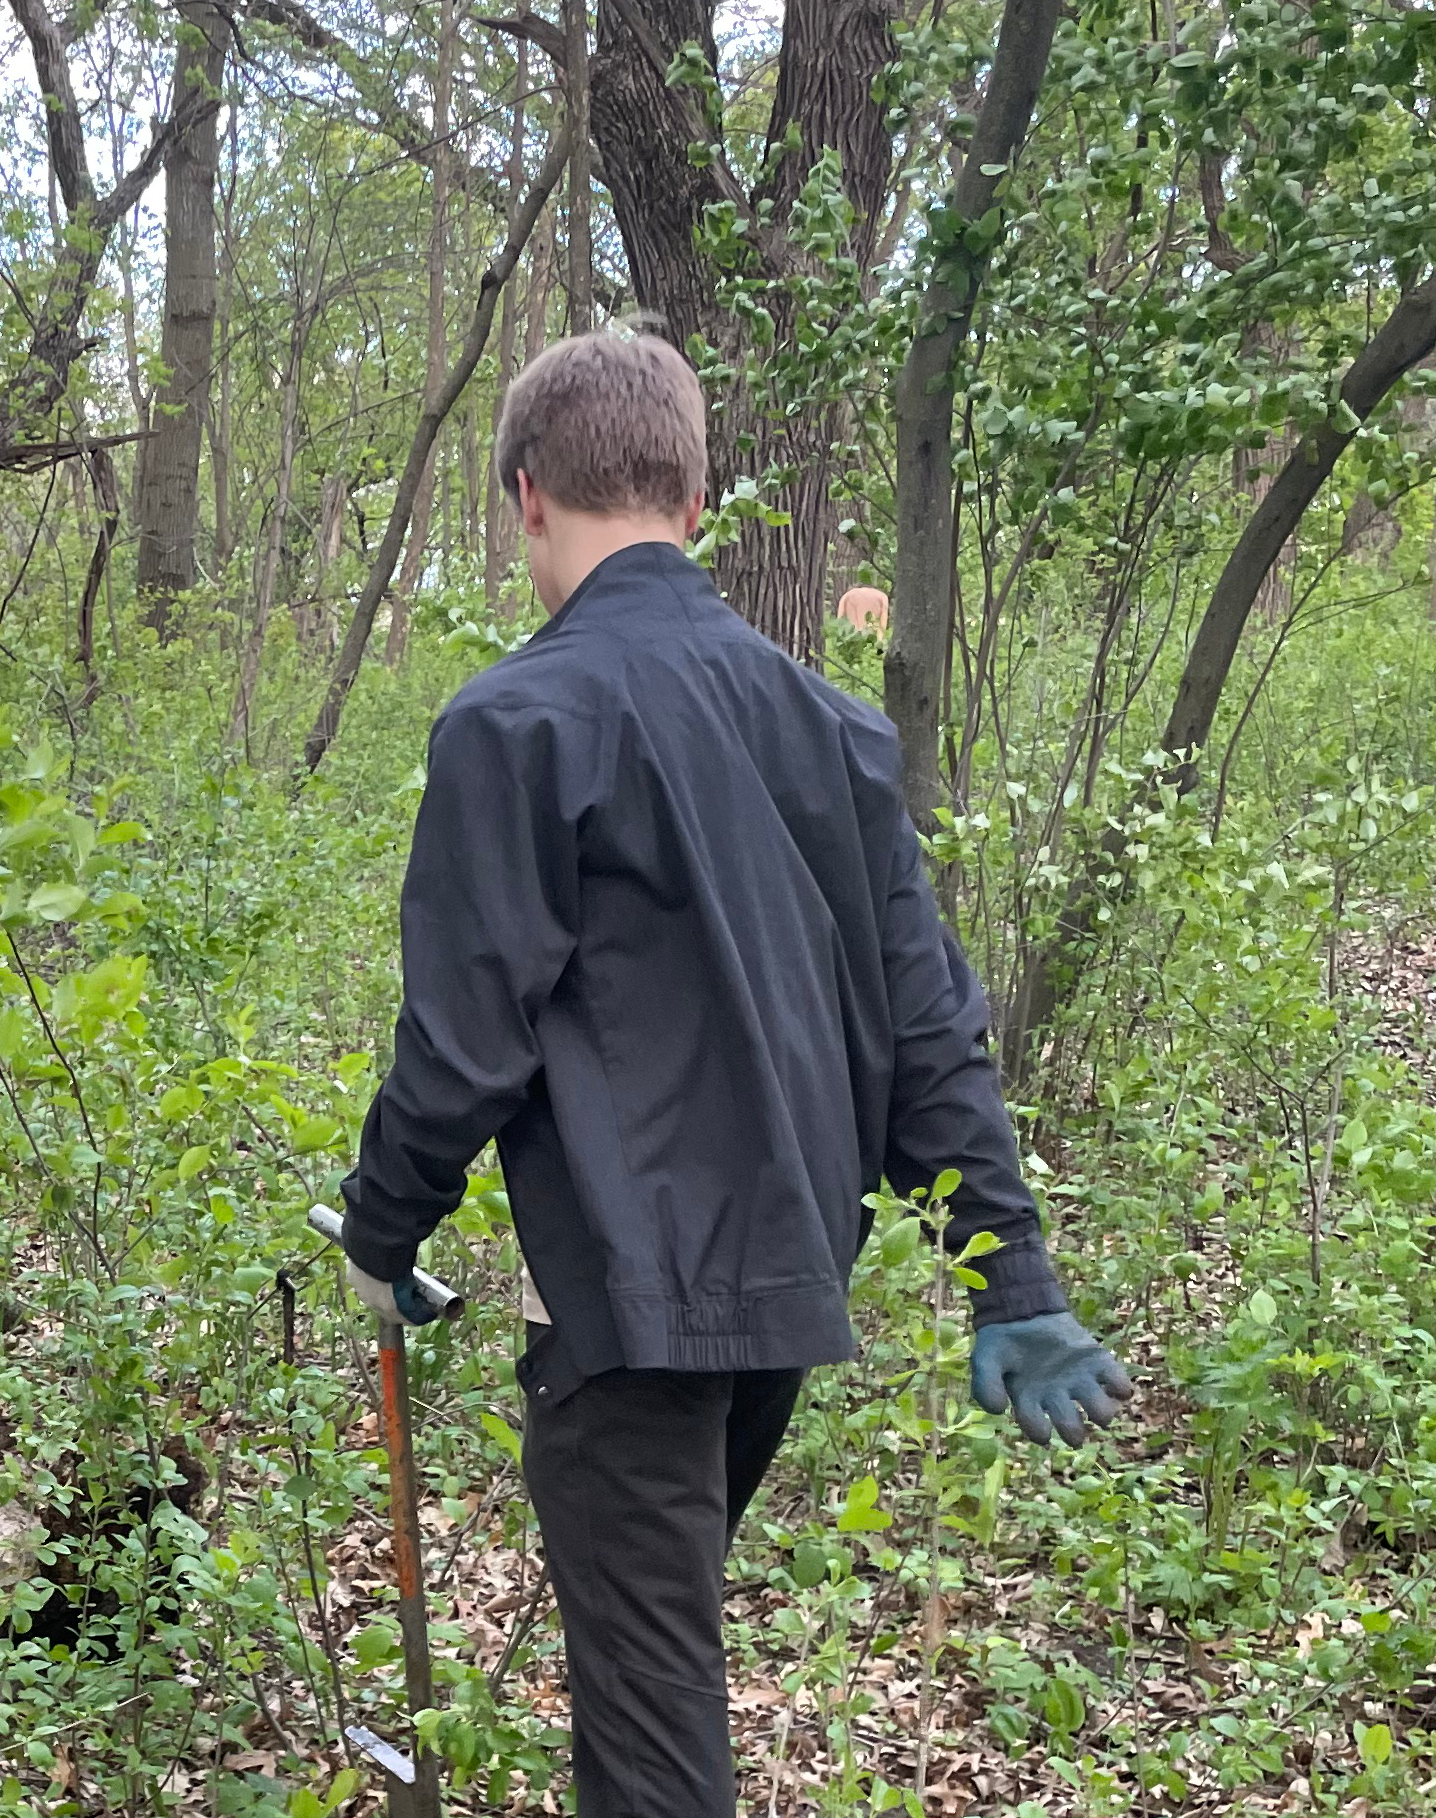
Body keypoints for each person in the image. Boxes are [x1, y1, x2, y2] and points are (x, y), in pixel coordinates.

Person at [337, 333, 1129, 1818]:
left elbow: (463, 1046)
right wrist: (1008, 1273)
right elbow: (928, 1031)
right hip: (777, 1303)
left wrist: (380, 1233)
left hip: (631, 1322)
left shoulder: (512, 723)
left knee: (651, 1737)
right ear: (697, 498)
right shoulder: (834, 728)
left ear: (525, 500)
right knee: (655, 1669)